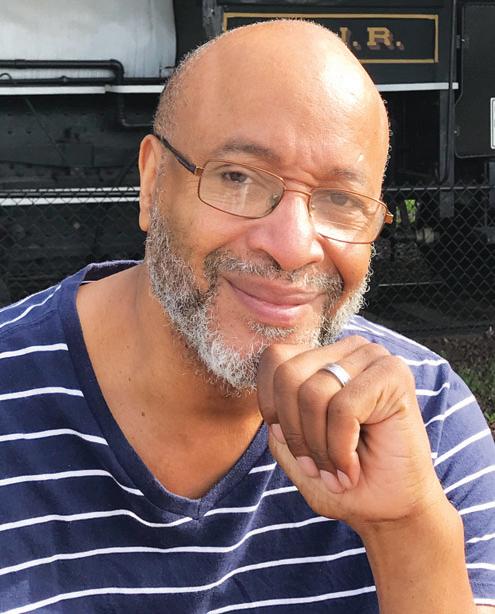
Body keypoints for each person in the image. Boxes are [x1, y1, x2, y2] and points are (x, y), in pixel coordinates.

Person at [0, 19, 494, 614]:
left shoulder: (424, 419)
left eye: (341, 199)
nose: (293, 247)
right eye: (237, 178)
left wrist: (407, 531)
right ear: (152, 182)